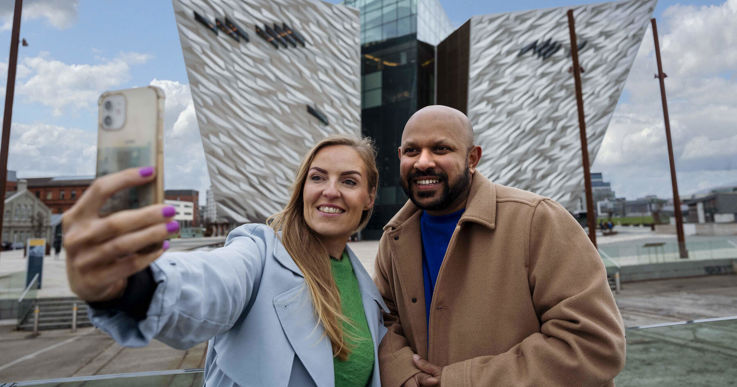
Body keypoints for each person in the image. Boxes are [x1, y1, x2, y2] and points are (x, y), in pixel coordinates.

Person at [63, 135, 387, 386]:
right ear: (302, 188)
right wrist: (133, 283)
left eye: (348, 181)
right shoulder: (259, 251)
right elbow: (212, 282)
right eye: (317, 178)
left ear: (369, 197)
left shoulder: (366, 288)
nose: (330, 191)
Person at [374, 106, 626, 386]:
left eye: (441, 149)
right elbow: (383, 323)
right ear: (399, 157)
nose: (423, 162)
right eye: (411, 151)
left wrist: (460, 381)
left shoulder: (538, 220)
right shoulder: (394, 237)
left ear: (472, 158)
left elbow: (593, 345)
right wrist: (404, 374)